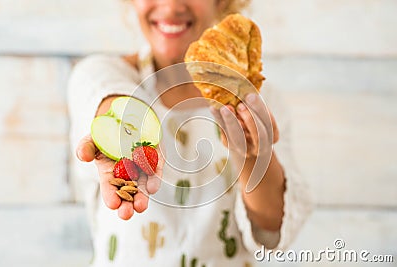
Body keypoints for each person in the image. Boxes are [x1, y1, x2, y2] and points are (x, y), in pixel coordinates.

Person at [68, 0, 312, 266]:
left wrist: (254, 156)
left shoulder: (261, 104)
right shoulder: (103, 73)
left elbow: (271, 228)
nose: (171, 6)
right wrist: (124, 125)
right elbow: (103, 92)